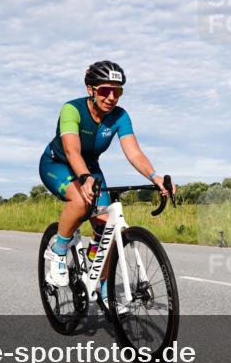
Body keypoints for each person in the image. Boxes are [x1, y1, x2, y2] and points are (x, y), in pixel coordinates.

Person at [39, 61, 174, 295]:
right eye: (105, 90)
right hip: (58, 164)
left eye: (117, 91)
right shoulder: (71, 109)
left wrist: (154, 176)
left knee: (107, 232)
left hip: (90, 168)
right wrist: (84, 177)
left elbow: (133, 152)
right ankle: (59, 250)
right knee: (81, 203)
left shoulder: (120, 117)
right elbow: (72, 151)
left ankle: (101, 284)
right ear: (90, 89)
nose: (111, 97)